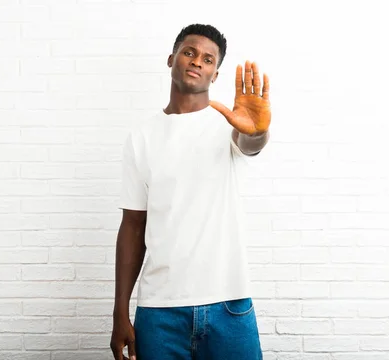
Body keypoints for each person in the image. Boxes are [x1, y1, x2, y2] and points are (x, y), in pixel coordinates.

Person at [110, 23, 271, 360]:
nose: (198, 61)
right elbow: (133, 226)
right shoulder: (142, 137)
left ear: (215, 74)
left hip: (229, 304)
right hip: (159, 311)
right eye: (190, 52)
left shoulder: (228, 124)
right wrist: (120, 311)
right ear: (172, 59)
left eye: (208, 59)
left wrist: (257, 132)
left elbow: (250, 143)